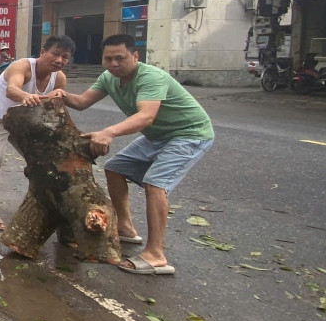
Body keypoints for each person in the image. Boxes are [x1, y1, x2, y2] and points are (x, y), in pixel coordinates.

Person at [49, 33, 214, 275]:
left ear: (135, 56)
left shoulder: (150, 77)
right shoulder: (108, 78)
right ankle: (125, 228)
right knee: (115, 169)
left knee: (155, 184)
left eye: (120, 58)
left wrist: (109, 132)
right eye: (108, 59)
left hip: (188, 134)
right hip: (157, 136)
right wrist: (62, 95)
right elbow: (83, 102)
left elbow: (146, 116)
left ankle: (156, 255)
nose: (114, 64)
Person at [0, 35, 76, 230]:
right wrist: (28, 96)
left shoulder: (59, 77)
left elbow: (54, 106)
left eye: (65, 57)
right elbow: (12, 90)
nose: (59, 60)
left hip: (25, 118)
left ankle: (48, 210)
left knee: (46, 161)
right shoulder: (23, 66)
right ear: (43, 52)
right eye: (55, 54)